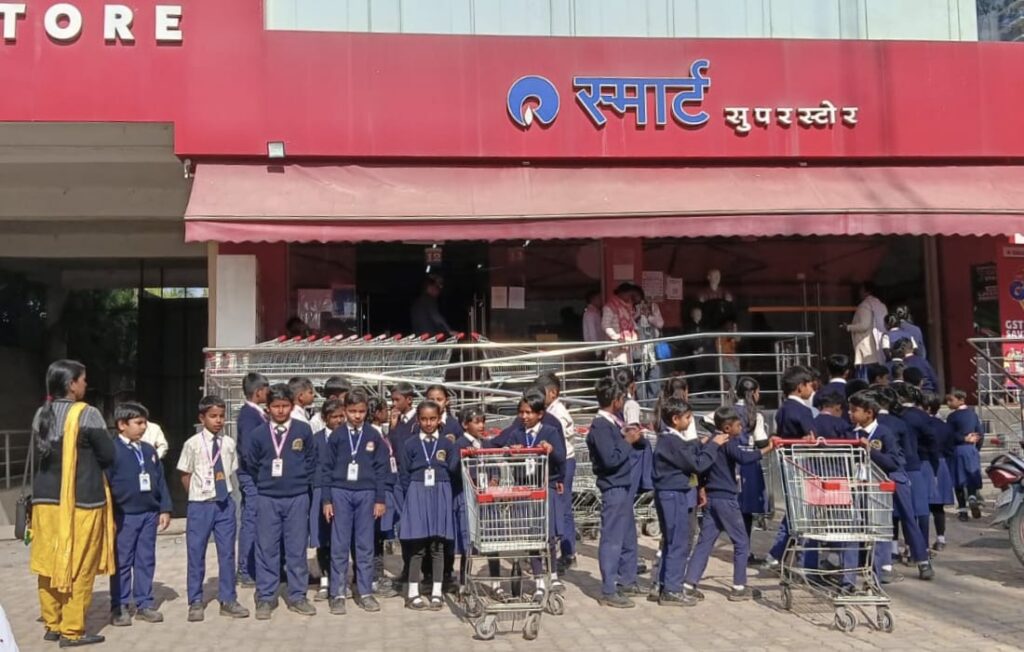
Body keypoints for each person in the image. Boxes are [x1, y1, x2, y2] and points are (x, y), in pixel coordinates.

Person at [30, 360, 116, 647]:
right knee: (80, 566)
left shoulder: (40, 414)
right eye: (83, 379)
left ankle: (53, 623)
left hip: (44, 501)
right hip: (82, 502)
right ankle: (72, 630)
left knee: (48, 562)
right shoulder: (88, 414)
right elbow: (108, 455)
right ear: (71, 384)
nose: (85, 384)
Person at [683, 407, 774, 602]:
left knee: (705, 542)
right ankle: (739, 586)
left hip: (711, 498)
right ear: (727, 428)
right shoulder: (727, 442)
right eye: (738, 425)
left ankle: (689, 583)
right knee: (741, 542)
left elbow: (702, 468)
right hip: (726, 499)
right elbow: (744, 458)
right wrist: (767, 449)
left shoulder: (710, 442)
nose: (741, 428)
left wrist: (702, 488)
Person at [245, 384, 318, 620]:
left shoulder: (303, 430)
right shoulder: (258, 434)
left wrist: (300, 481)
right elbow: (252, 463)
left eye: (285, 406)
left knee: (296, 548)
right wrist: (266, 482)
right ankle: (266, 596)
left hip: (297, 496)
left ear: (292, 405)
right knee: (267, 548)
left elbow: (311, 459)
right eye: (275, 406)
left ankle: (298, 596)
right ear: (268, 407)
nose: (280, 410)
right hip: (267, 497)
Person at [177, 395, 250, 622]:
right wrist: (197, 495)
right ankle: (195, 600)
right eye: (213, 416)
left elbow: (231, 470)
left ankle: (228, 599)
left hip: (224, 504)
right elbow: (185, 473)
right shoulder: (192, 444)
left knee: (227, 553)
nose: (218, 421)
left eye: (221, 416)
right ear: (202, 418)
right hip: (200, 504)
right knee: (196, 553)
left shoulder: (228, 443)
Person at [848, 390, 934, 581]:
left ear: (869, 413)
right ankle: (878, 564)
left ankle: (922, 560)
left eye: (854, 410)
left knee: (908, 518)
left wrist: (870, 450)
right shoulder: (852, 432)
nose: (850, 414)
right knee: (872, 521)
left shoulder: (884, 431)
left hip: (893, 479)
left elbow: (894, 462)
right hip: (868, 482)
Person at [320, 389, 389, 615]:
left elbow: (381, 469)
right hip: (340, 492)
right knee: (339, 544)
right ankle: (338, 593)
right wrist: (327, 499)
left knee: (365, 545)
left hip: (366, 493)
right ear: (345, 410)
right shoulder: (337, 435)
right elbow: (326, 469)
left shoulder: (373, 435)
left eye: (361, 411)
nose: (357, 416)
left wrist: (380, 498)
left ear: (367, 411)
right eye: (352, 411)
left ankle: (365, 592)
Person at [493, 388, 567, 598]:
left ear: (540, 414)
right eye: (521, 412)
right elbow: (507, 456)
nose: (524, 416)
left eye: (529, 412)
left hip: (545, 487)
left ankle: (553, 574)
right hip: (525, 490)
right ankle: (538, 580)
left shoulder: (550, 432)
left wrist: (551, 451)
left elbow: (561, 458)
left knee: (548, 534)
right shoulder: (517, 434)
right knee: (533, 536)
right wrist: (512, 453)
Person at [107, 402, 172, 627]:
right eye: (138, 422)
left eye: (145, 422)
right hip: (124, 516)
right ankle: (120, 605)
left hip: (148, 514)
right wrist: (109, 515)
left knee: (145, 559)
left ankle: (144, 603)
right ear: (122, 425)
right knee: (122, 561)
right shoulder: (111, 450)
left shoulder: (148, 450)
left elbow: (160, 481)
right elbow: (105, 484)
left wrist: (164, 508)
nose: (144, 427)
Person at [651, 397, 720, 607]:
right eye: (688, 417)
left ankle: (664, 583)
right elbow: (696, 464)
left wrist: (700, 444)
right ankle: (672, 589)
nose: (690, 421)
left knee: (672, 540)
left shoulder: (671, 440)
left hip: (669, 493)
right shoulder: (671, 441)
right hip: (673, 495)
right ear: (675, 419)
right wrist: (713, 446)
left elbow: (686, 453)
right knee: (678, 541)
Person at [586, 377, 644, 608]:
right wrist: (626, 441)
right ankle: (609, 588)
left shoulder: (614, 422)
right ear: (616, 401)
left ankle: (627, 579)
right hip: (613, 487)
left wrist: (635, 437)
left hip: (624, 485)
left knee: (628, 536)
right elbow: (610, 459)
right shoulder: (600, 426)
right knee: (612, 539)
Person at [398, 400, 459, 611]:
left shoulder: (447, 444)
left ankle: (436, 592)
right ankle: (413, 593)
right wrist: (410, 497)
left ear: (439, 419)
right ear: (418, 420)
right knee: (417, 546)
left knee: (438, 545)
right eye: (424, 419)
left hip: (440, 492)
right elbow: (404, 474)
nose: (428, 423)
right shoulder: (410, 444)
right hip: (417, 491)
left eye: (433, 418)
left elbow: (453, 469)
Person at [764, 366, 817, 570]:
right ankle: (798, 558)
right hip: (802, 464)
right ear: (800, 387)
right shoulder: (803, 411)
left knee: (795, 509)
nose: (812, 388)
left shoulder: (782, 410)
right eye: (809, 384)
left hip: (788, 464)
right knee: (802, 511)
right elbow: (812, 437)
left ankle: (777, 554)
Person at [536, 373, 578, 572]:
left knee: (563, 507)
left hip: (563, 462)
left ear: (553, 393)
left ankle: (567, 552)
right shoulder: (548, 410)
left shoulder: (558, 413)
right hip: (553, 462)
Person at [236, 371, 269, 587]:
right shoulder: (249, 415)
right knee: (251, 519)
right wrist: (260, 473)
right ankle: (245, 569)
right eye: (266, 390)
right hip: (252, 476)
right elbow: (248, 450)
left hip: (255, 475)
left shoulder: (258, 413)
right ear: (258, 392)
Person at [310, 398, 344, 602]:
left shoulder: (349, 437)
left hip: (342, 490)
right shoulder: (316, 439)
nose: (338, 420)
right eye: (334, 417)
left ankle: (340, 580)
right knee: (322, 537)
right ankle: (324, 580)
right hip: (320, 490)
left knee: (341, 538)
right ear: (325, 418)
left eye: (341, 416)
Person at [733, 378, 770, 543]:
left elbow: (705, 421)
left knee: (732, 506)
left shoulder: (728, 410)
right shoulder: (755, 415)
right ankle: (744, 547)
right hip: (748, 462)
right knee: (746, 509)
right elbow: (761, 442)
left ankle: (739, 546)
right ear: (753, 393)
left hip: (730, 460)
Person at [946, 388, 984, 521]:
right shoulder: (973, 415)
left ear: (960, 400)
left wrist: (962, 439)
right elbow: (980, 433)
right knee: (971, 477)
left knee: (959, 481)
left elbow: (949, 435)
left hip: (958, 450)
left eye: (951, 400)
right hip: (971, 450)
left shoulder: (952, 417)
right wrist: (976, 448)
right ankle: (972, 497)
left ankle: (962, 511)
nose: (948, 403)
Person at [924, 392, 955, 550]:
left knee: (922, 505)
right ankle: (941, 538)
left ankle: (922, 541)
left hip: (924, 463)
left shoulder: (922, 425)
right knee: (938, 506)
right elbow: (950, 448)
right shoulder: (945, 426)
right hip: (942, 463)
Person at [844, 282, 887, 374]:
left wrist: (848, 327)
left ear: (866, 291)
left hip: (866, 352)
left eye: (861, 290)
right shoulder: (881, 305)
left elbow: (864, 325)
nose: (860, 293)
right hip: (878, 351)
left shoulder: (865, 305)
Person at [632, 285, 666, 403]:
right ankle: (642, 404)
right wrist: (637, 314)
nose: (635, 298)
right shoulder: (629, 308)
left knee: (654, 377)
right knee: (639, 378)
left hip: (652, 347)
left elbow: (660, 324)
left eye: (637, 296)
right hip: (638, 348)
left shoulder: (652, 306)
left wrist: (648, 315)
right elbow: (629, 323)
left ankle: (653, 404)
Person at [602, 283, 638, 367]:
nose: (629, 297)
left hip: (627, 344)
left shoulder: (627, 306)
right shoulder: (610, 307)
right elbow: (605, 325)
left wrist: (636, 332)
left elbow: (631, 321)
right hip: (615, 344)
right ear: (621, 293)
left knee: (628, 369)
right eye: (628, 295)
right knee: (619, 369)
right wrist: (617, 337)